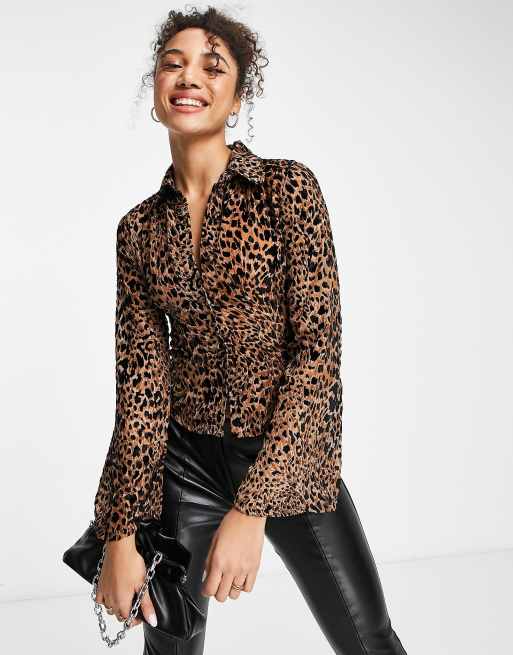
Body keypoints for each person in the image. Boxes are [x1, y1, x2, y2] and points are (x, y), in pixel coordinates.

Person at [92, 7, 408, 655]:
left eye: (213, 68)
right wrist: (119, 532)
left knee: (367, 636)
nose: (189, 77)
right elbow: (141, 389)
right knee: (168, 647)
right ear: (156, 91)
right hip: (184, 463)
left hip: (288, 453)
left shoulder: (288, 190)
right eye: (173, 64)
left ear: (236, 99)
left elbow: (316, 356)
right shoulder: (139, 230)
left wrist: (251, 507)